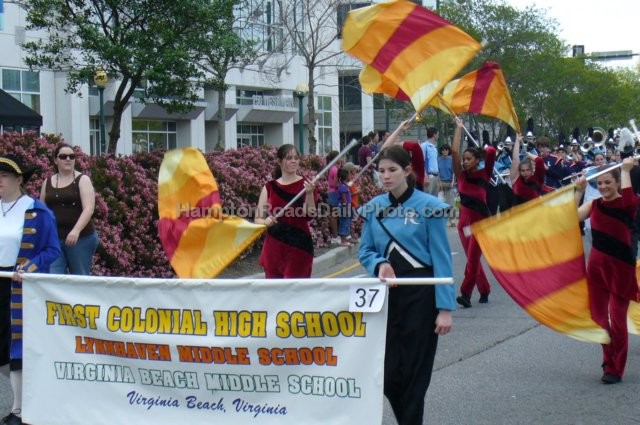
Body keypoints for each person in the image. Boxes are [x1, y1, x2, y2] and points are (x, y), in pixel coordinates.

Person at [358, 146, 454, 425]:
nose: (386, 176)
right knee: (387, 375)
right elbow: (364, 251)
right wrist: (379, 264)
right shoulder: (374, 207)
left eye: (392, 170)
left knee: (415, 373)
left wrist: (445, 307)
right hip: (386, 297)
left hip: (421, 295)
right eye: (381, 171)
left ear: (407, 171)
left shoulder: (429, 207)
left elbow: (441, 258)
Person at [0, 155, 60, 425]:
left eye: (3, 175)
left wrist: (30, 268)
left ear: (19, 179)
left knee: (18, 346)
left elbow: (52, 250)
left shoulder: (37, 210)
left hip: (19, 285)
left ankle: (18, 410)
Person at [575, 158, 639, 384]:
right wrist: (579, 192)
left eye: (607, 183)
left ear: (617, 183)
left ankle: (616, 368)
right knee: (598, 318)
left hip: (620, 269)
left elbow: (629, 195)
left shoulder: (629, 203)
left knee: (619, 321)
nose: (602, 187)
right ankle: (608, 357)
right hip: (597, 268)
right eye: (599, 184)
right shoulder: (595, 205)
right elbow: (571, 218)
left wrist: (624, 169)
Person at [451, 117, 495, 307]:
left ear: (477, 160)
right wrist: (459, 128)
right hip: (463, 224)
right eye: (464, 159)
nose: (465, 161)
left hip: (481, 224)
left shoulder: (485, 174)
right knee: (472, 259)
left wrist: (483, 150)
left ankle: (466, 294)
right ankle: (484, 289)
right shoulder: (460, 175)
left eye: (469, 159)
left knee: (474, 259)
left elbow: (492, 151)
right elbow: (454, 151)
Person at [255, 144, 316, 278]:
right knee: (274, 294)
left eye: (296, 158)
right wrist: (265, 221)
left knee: (294, 294)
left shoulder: (306, 185)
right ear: (279, 161)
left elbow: (310, 213)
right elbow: (258, 219)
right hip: (273, 249)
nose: (294, 161)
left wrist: (310, 194)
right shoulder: (269, 187)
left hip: (298, 247)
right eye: (289, 158)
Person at [39, 143, 98, 275]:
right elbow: (42, 211)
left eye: (71, 156)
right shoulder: (47, 182)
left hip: (81, 238)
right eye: (63, 156)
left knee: (80, 278)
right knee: (53, 277)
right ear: (55, 160)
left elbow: (89, 208)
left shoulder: (83, 180)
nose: (68, 159)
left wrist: (76, 231)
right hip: (54, 239)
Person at [510, 134, 548, 205]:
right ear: (520, 171)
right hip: (519, 214)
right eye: (523, 170)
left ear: (532, 170)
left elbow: (540, 161)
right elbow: (515, 159)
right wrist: (517, 141)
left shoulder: (537, 180)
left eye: (528, 170)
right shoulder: (516, 180)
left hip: (534, 213)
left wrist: (530, 156)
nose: (525, 173)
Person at [437, 144, 456, 226]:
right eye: (443, 150)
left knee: (450, 202)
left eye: (446, 150)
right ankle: (441, 220)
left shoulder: (451, 160)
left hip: (449, 182)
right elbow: (437, 171)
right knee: (440, 202)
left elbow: (454, 171)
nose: (444, 151)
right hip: (441, 183)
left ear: (449, 151)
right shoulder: (438, 159)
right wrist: (439, 182)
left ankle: (452, 220)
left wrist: (453, 181)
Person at [324, 150, 341, 245]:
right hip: (334, 193)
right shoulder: (335, 169)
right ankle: (335, 237)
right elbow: (335, 184)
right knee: (334, 215)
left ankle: (335, 235)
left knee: (334, 215)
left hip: (331, 193)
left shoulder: (331, 168)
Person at [421, 126, 440, 196]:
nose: (438, 136)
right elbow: (421, 162)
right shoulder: (424, 146)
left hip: (436, 176)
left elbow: (435, 164)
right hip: (429, 176)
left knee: (435, 200)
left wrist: (439, 179)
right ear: (434, 135)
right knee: (427, 197)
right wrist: (425, 176)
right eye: (438, 134)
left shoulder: (434, 148)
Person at [336, 168, 353, 247]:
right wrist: (346, 208)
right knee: (344, 223)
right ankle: (343, 241)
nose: (350, 176)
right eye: (349, 174)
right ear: (346, 177)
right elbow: (344, 199)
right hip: (344, 207)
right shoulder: (343, 187)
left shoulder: (345, 186)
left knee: (346, 222)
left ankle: (344, 239)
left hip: (346, 207)